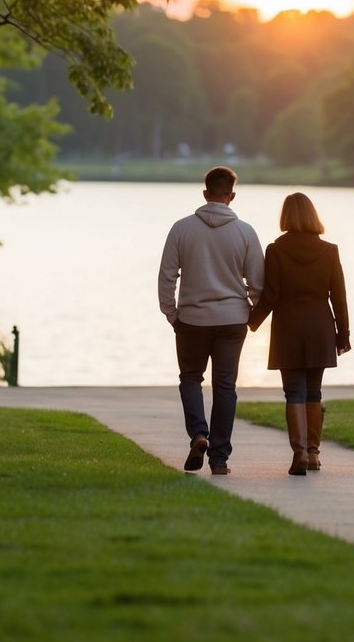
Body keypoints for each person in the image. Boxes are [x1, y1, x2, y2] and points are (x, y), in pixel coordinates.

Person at [158, 166, 264, 476]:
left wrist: (172, 314)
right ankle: (219, 458)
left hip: (191, 318)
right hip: (232, 320)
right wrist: (251, 316)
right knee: (225, 386)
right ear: (232, 195)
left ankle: (199, 435)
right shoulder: (245, 232)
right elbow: (258, 283)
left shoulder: (181, 229)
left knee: (191, 378)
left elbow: (167, 275)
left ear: (205, 193)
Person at [249, 192, 350, 476]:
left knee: (294, 391)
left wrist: (250, 320)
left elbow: (270, 295)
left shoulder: (276, 250)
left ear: (285, 217)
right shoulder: (330, 250)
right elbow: (339, 298)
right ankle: (315, 454)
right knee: (314, 392)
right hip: (320, 328)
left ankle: (300, 454)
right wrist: (343, 335)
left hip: (289, 328)